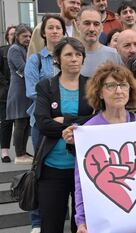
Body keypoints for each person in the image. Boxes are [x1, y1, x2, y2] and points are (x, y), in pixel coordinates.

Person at [61, 62, 136, 233]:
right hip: (109, 219)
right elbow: (82, 179)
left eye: (123, 85)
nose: (118, 91)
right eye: (111, 86)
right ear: (100, 92)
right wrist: (81, 220)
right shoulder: (89, 130)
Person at [34, 37, 94, 233]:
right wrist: (77, 121)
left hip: (86, 169)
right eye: (68, 54)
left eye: (78, 54)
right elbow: (43, 123)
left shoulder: (92, 85)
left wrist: (63, 120)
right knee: (51, 225)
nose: (74, 59)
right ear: (58, 59)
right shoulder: (46, 86)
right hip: (53, 169)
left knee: (84, 226)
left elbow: (97, 122)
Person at [25, 14, 66, 153]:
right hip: (42, 119)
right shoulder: (35, 60)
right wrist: (55, 102)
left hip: (66, 117)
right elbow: (31, 91)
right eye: (50, 28)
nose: (54, 31)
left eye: (58, 28)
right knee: (41, 161)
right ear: (43, 32)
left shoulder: (69, 59)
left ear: (63, 32)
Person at [6, 24, 32, 165]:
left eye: (29, 36)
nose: (28, 38)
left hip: (25, 89)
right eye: (24, 36)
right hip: (19, 90)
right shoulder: (15, 49)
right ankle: (19, 154)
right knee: (20, 123)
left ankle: (23, 152)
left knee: (26, 122)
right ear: (17, 36)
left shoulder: (24, 48)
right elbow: (23, 67)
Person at [77, 6, 122, 77]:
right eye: (87, 23)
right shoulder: (70, 55)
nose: (92, 29)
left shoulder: (114, 55)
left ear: (102, 28)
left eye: (96, 24)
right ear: (78, 25)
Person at [0, 25, 16, 163]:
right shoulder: (2, 51)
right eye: (11, 34)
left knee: (22, 122)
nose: (13, 36)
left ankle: (20, 152)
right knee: (6, 122)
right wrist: (5, 85)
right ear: (7, 37)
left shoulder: (24, 51)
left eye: (15, 34)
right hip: (5, 93)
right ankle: (4, 151)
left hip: (19, 92)